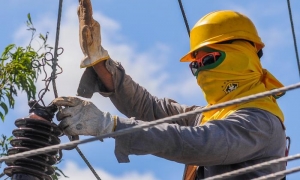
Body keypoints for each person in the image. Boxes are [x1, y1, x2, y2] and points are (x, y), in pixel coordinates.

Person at [53, 0, 287, 179]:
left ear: (242, 58)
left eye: (209, 60)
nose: (200, 71)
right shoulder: (209, 115)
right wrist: (102, 64)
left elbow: (197, 143)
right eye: (195, 66)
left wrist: (109, 125)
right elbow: (151, 108)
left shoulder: (261, 122)